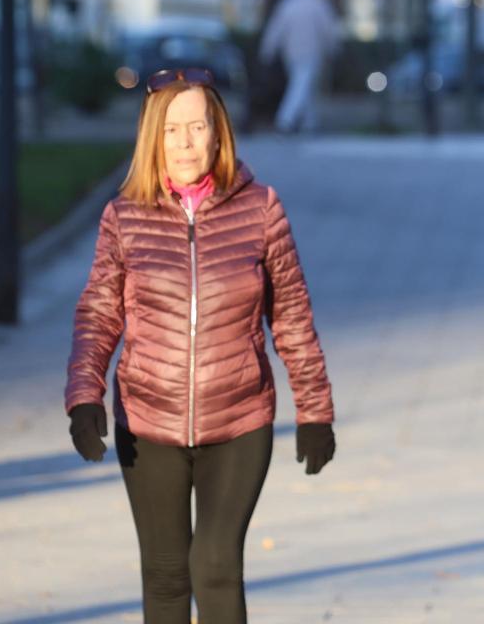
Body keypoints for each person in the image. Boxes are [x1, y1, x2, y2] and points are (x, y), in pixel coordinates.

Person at [65, 68, 336, 623]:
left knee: (214, 564)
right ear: (151, 137)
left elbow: (291, 317)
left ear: (219, 134)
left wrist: (316, 412)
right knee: (166, 575)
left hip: (239, 420)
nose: (185, 143)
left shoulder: (260, 209)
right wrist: (84, 397)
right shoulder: (125, 217)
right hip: (149, 422)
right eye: (171, 129)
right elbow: (98, 313)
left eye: (197, 127)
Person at [258, 0, 341, 135]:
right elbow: (330, 31)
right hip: (312, 53)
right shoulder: (319, 6)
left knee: (304, 85)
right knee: (301, 84)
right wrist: (334, 48)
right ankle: (285, 119)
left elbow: (275, 30)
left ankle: (309, 123)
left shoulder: (288, 6)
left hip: (290, 53)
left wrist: (268, 49)